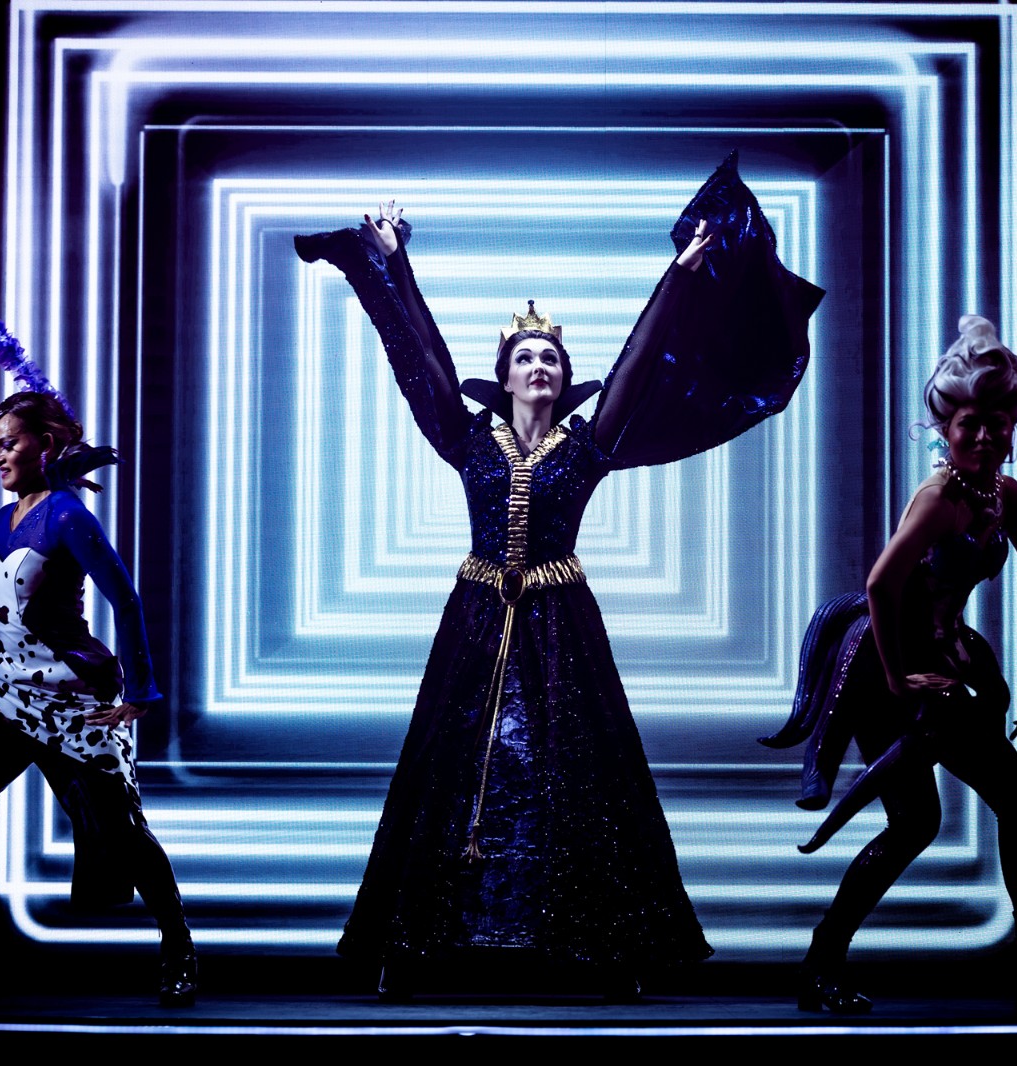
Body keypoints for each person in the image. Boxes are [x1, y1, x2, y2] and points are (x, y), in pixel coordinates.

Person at [294, 153, 824, 998]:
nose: (538, 365)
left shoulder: (589, 447)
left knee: (573, 772)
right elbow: (421, 359)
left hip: (558, 624)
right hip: (476, 623)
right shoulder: (467, 440)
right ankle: (426, 943)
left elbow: (640, 363)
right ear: (503, 376)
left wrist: (680, 277)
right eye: (524, 357)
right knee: (454, 770)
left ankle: (594, 944)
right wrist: (397, 263)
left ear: (564, 378)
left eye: (549, 357)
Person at [759, 314, 1017, 1013]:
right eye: (969, 425)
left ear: (1012, 428)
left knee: (987, 814)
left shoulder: (1006, 498)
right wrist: (900, 680)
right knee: (927, 822)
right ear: (944, 430)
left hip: (949, 667)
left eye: (997, 424)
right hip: (890, 671)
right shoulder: (938, 500)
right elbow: (879, 585)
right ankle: (823, 966)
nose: (984, 437)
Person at [0, 325, 197, 1007]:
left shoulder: (69, 518)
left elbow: (125, 598)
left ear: (44, 445)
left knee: (123, 833)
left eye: (9, 444)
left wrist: (142, 690)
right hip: (13, 699)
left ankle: (179, 948)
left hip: (72, 701)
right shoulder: (4, 519)